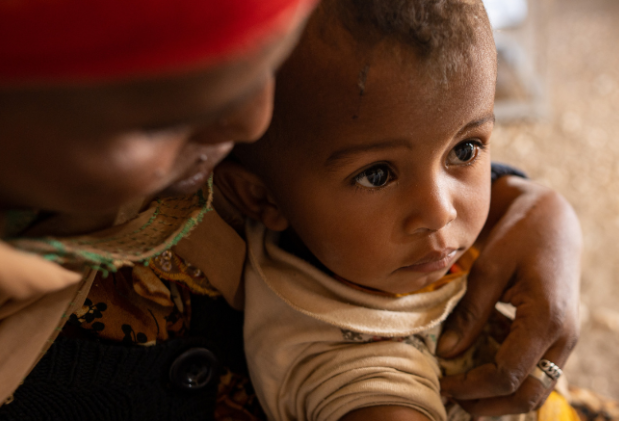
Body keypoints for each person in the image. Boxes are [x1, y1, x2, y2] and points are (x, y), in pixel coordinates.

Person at [0, 0, 587, 420]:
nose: (254, 125)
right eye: (159, 111)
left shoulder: (209, 163)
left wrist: (521, 200)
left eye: (257, 58)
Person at [218, 1, 577, 420]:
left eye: (465, 149)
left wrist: (552, 213)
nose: (440, 211)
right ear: (262, 199)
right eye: (377, 176)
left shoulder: (364, 248)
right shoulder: (361, 381)